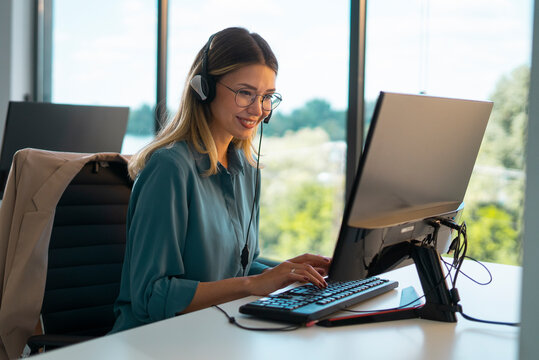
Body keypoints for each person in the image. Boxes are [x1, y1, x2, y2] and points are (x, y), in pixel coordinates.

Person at [110, 27, 331, 333]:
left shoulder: (247, 171)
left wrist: (287, 272)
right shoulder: (170, 168)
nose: (258, 109)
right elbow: (150, 296)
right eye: (245, 93)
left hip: (218, 332)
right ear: (205, 89)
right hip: (154, 341)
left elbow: (238, 269)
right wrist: (254, 283)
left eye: (267, 97)